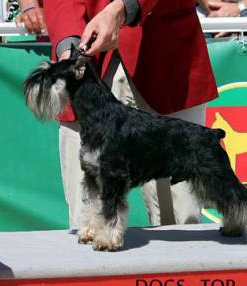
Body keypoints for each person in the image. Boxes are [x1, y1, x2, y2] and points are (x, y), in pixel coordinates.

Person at [40, 0, 218, 229]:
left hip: (165, 51)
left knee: (184, 219)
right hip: (90, 66)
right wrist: (69, 46)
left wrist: (123, 8)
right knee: (87, 227)